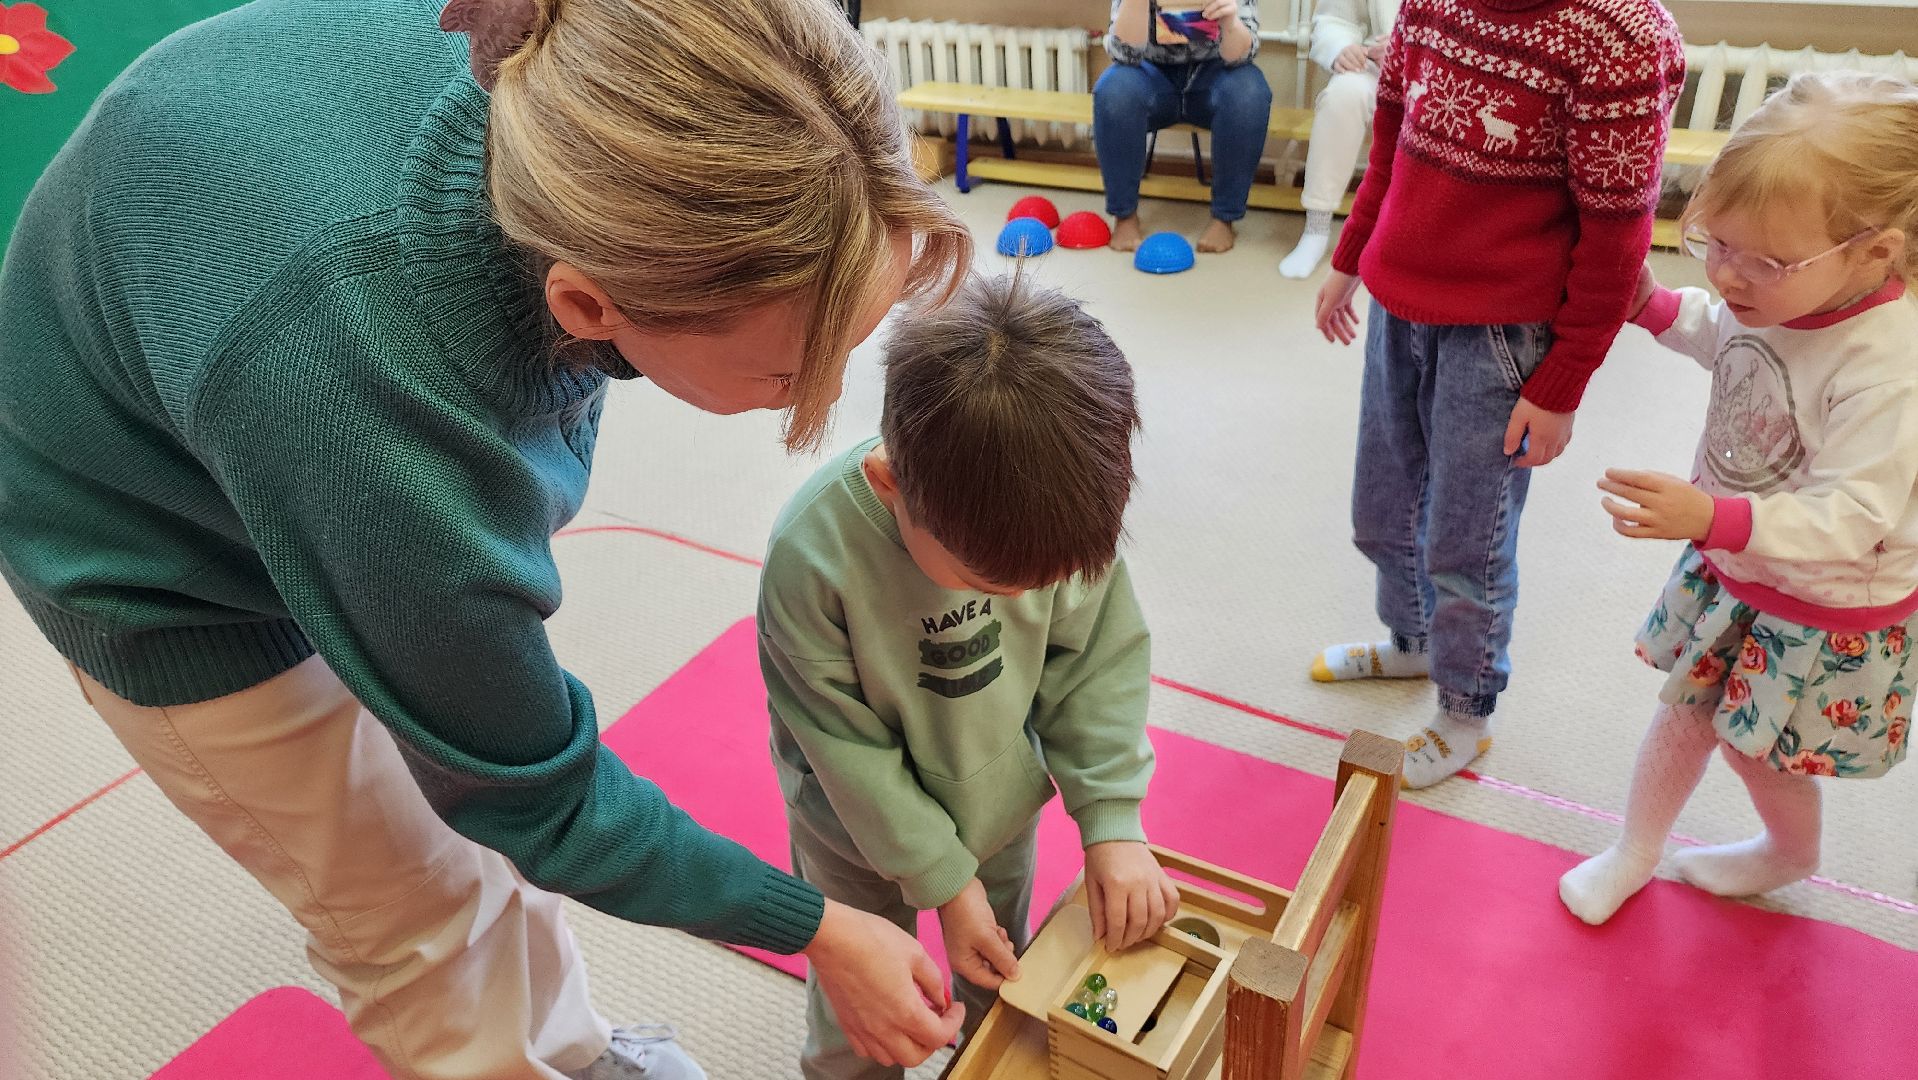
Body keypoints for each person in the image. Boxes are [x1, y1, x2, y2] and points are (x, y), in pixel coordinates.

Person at [0, 0, 975, 1076]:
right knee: (419, 922)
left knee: (474, 841)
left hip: (250, 383)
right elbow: (530, 791)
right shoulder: (369, 394)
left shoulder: (582, 96)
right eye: (791, 376)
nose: (823, 400)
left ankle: (573, 1050)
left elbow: (492, 752)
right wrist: (815, 926)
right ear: (588, 301)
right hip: (148, 553)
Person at [757, 271, 1178, 1078]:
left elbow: (1095, 665)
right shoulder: (811, 558)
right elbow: (846, 751)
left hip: (997, 806)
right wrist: (944, 883)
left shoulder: (1054, 516)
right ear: (890, 486)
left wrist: (1112, 819)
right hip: (851, 829)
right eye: (990, 585)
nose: (1023, 599)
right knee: (864, 1000)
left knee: (1002, 980)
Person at [1559, 72, 1918, 926]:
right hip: (1737, 559)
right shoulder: (1774, 292)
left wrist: (1712, 517)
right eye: (1713, 243)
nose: (1728, 276)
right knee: (1688, 709)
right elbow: (1719, 332)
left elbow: (1854, 516)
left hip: (1825, 600)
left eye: (1763, 260)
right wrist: (1645, 303)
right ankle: (1634, 850)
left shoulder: (1888, 368)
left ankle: (1791, 852)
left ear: (1878, 252)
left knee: (1764, 751)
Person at [1310, 0, 1686, 788]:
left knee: (1466, 541)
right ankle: (1411, 644)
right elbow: (1392, 144)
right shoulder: (1429, 5)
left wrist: (1564, 381)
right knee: (1382, 509)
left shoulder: (1619, 35)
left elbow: (1618, 231)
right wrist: (1351, 255)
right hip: (1399, 304)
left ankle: (1465, 709)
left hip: (1504, 334)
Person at [1096, 0, 1273, 254]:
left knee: (1249, 93)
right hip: (1148, 72)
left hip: (1216, 72)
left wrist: (1230, 21)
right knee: (1114, 91)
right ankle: (1124, 216)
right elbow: (1124, 55)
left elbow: (1241, 58)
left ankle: (1225, 217)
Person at [1277, 0, 1400, 279]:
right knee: (1342, 95)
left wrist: (1410, 47)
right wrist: (1341, 49)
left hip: (1453, 72)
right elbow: (1335, 20)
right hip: (1380, 65)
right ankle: (1316, 229)